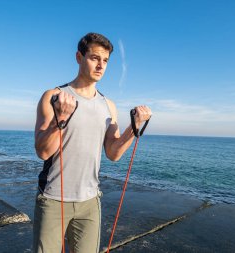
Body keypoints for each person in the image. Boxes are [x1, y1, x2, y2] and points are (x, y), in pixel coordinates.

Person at [33, 32, 152, 253]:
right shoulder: (54, 95)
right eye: (94, 58)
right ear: (79, 57)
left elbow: (113, 153)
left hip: (90, 201)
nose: (100, 65)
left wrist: (133, 128)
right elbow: (42, 151)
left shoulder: (108, 105)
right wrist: (60, 120)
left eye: (105, 60)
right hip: (53, 199)